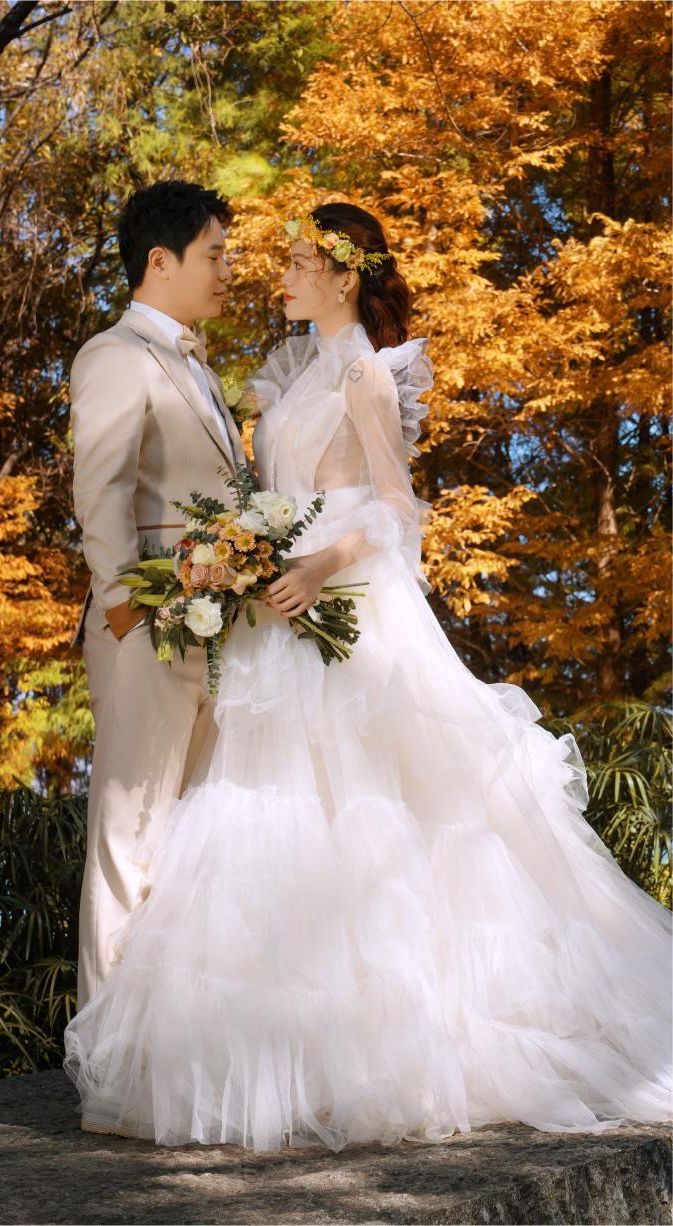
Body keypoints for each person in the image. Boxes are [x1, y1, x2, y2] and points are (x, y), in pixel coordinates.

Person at [64, 202, 672, 1151]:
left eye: (298, 262)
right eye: (247, 257)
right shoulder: (278, 371)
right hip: (262, 622)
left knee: (365, 814)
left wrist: (314, 564)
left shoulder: (362, 372)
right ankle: (202, 1058)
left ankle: (381, 1047)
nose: (273, 275)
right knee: (255, 823)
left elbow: (397, 507)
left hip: (339, 609)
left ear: (344, 276)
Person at [68, 180, 246, 1041]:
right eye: (216, 254)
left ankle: (169, 1055)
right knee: (129, 842)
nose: (228, 271)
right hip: (145, 627)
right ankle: (108, 1062)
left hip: (218, 630)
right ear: (160, 261)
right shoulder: (113, 355)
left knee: (189, 849)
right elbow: (99, 492)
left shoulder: (200, 368)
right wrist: (126, 614)